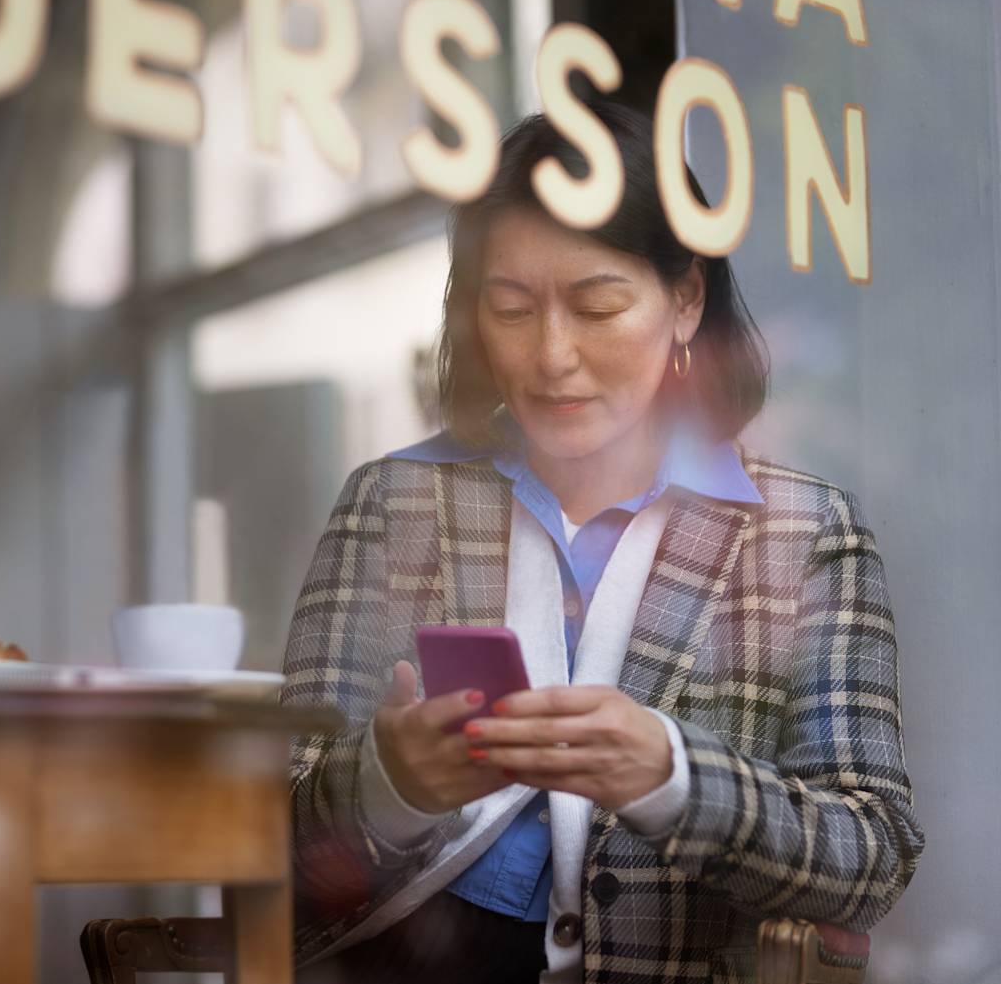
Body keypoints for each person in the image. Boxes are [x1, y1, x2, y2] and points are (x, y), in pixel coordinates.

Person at [280, 102, 924, 984]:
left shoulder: (803, 532)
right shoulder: (392, 504)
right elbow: (269, 833)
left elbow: (872, 857)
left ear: (685, 300)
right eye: (511, 308)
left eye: (598, 305)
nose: (552, 355)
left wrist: (674, 775)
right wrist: (389, 785)